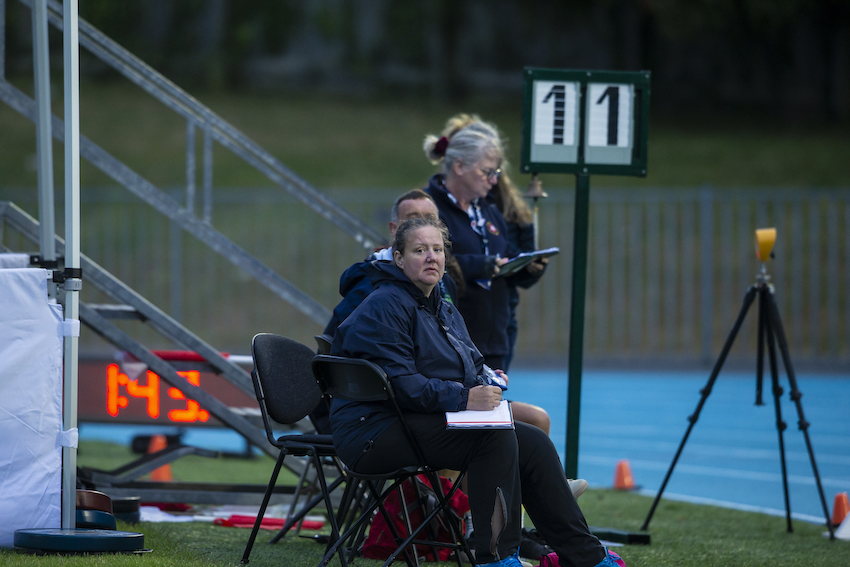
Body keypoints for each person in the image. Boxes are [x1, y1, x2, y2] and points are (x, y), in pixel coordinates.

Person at [329, 216, 622, 567]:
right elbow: (398, 384)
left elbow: (469, 364)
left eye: (437, 249)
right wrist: (465, 397)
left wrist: (486, 381)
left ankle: (583, 556)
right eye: (419, 250)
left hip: (414, 419)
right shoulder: (384, 305)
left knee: (531, 441)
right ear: (399, 258)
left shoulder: (441, 305)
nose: (431, 258)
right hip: (373, 430)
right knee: (493, 439)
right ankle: (497, 559)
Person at [323, 189, 551, 435]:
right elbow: (395, 378)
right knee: (500, 438)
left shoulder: (442, 293)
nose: (430, 255)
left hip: (438, 398)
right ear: (395, 235)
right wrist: (465, 396)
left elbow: (452, 353)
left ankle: (547, 475)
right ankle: (446, 475)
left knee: (534, 425)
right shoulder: (375, 295)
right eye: (412, 219)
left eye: (431, 220)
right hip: (393, 415)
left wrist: (482, 376)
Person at [423, 116, 546, 371]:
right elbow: (427, 263)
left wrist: (527, 266)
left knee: (493, 409)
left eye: (496, 173)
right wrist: (482, 266)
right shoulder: (429, 209)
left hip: (494, 342)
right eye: (487, 172)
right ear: (459, 166)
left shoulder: (489, 209)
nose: (493, 181)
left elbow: (505, 254)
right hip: (451, 341)